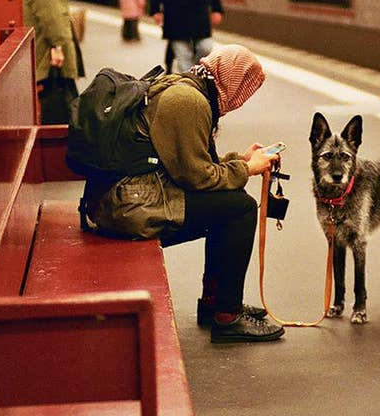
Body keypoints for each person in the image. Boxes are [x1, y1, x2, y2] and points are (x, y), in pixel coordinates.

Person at [83, 44, 285, 343]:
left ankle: (214, 302)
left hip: (127, 196)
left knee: (227, 206)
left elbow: (190, 163)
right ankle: (227, 316)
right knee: (239, 209)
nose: (242, 100)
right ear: (232, 81)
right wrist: (248, 170)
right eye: (245, 89)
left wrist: (239, 161)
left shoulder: (186, 87)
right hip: (129, 206)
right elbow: (197, 178)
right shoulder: (188, 101)